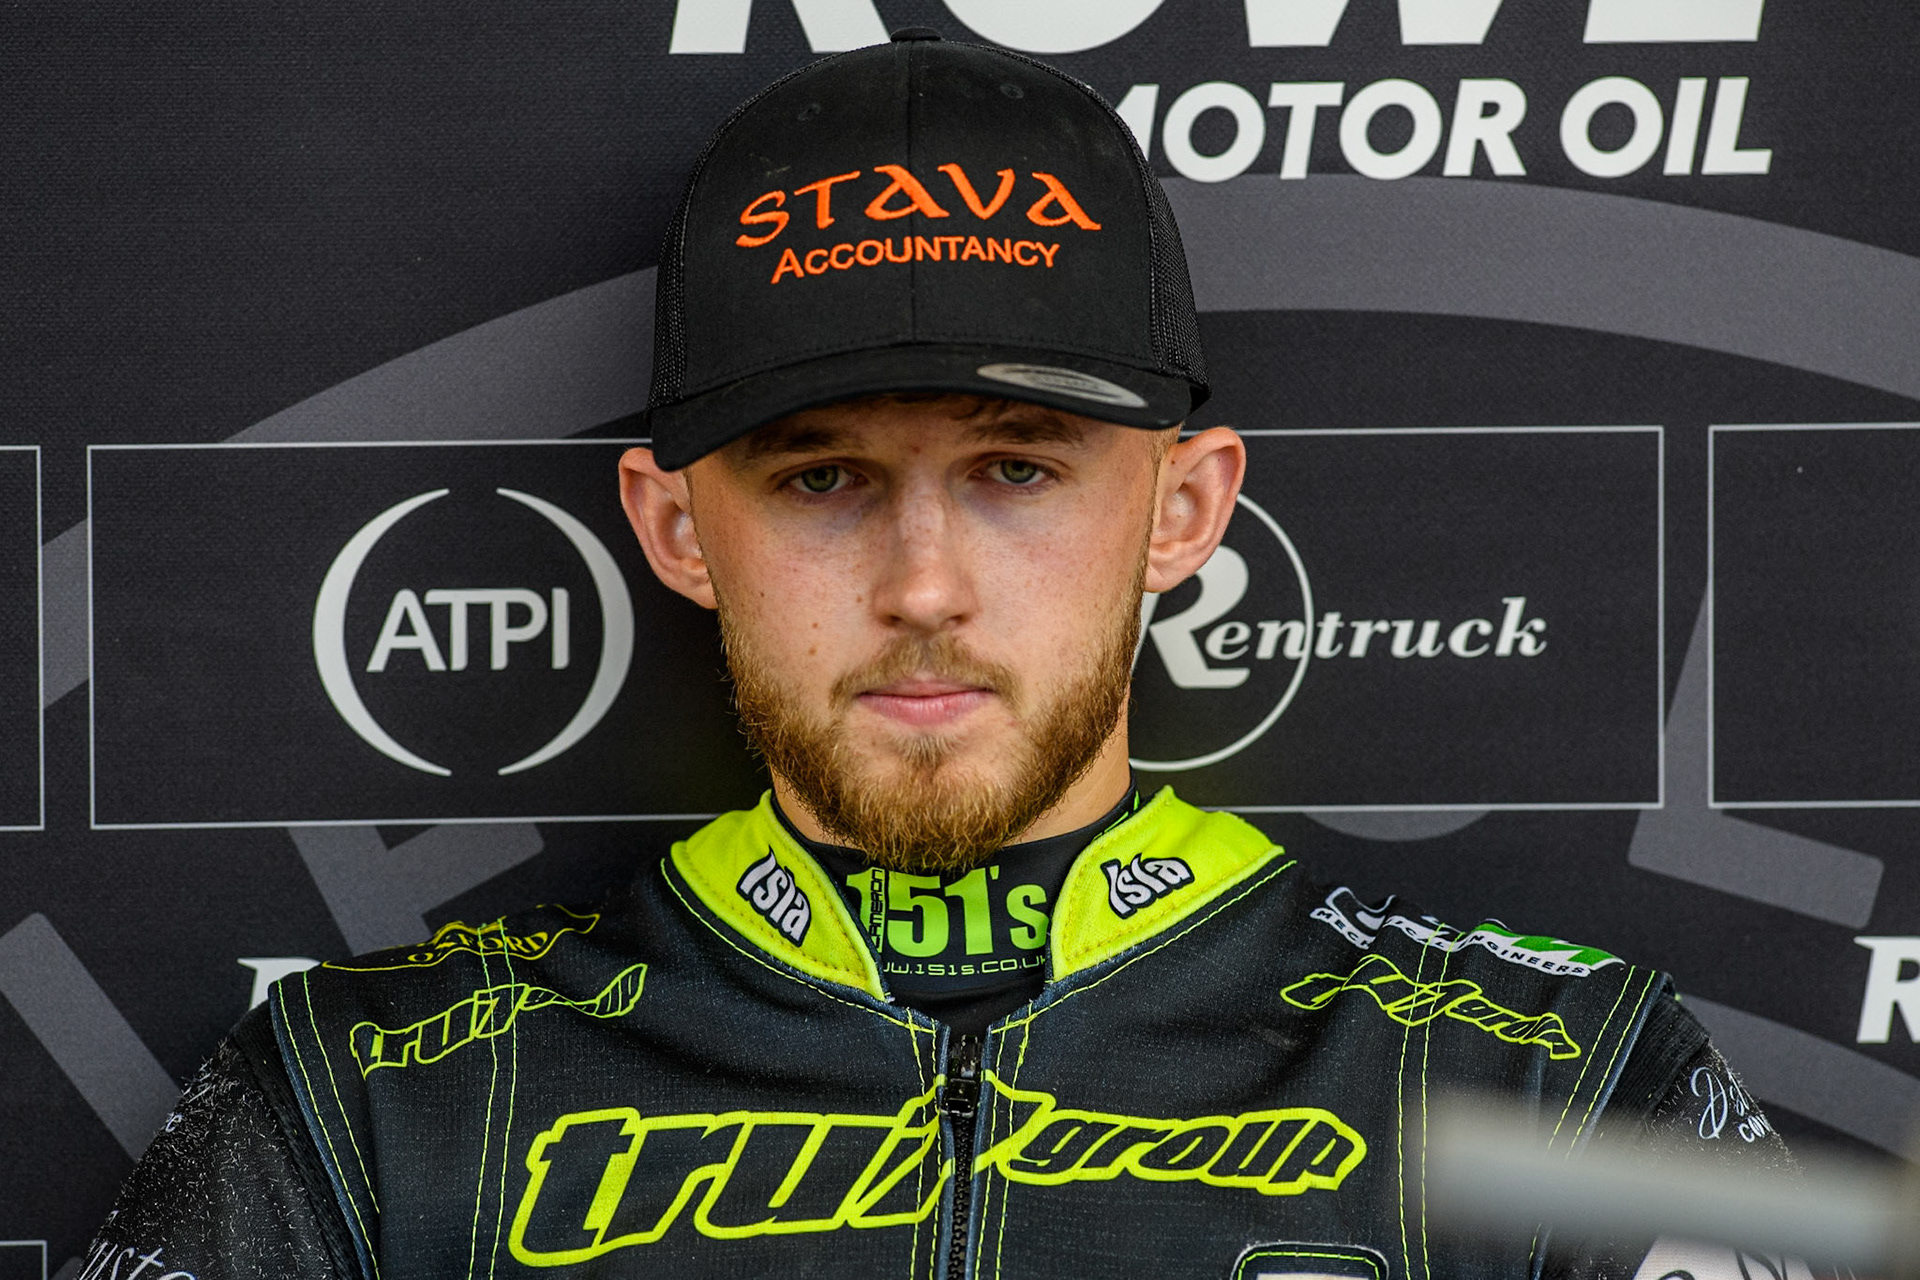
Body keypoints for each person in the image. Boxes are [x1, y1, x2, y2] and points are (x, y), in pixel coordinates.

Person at [85, 29, 1801, 1280]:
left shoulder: (1554, 1075)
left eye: (1016, 470)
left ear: (1184, 509)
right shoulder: (377, 1103)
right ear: (678, 525)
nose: (923, 583)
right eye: (821, 476)